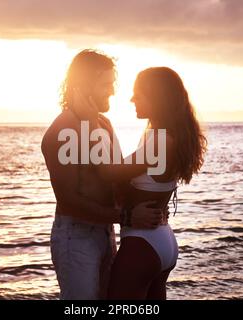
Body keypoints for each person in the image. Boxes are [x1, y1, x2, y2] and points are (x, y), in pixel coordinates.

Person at [73, 66, 207, 299]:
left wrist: (89, 122)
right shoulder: (162, 135)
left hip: (143, 244)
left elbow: (108, 173)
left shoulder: (161, 141)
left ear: (156, 98)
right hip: (158, 240)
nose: (132, 98)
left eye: (139, 93)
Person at [41, 50, 163, 300]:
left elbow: (116, 178)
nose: (112, 91)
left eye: (112, 84)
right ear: (85, 85)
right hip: (76, 238)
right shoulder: (62, 130)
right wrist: (128, 217)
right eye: (106, 85)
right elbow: (68, 200)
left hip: (107, 232)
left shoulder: (103, 124)